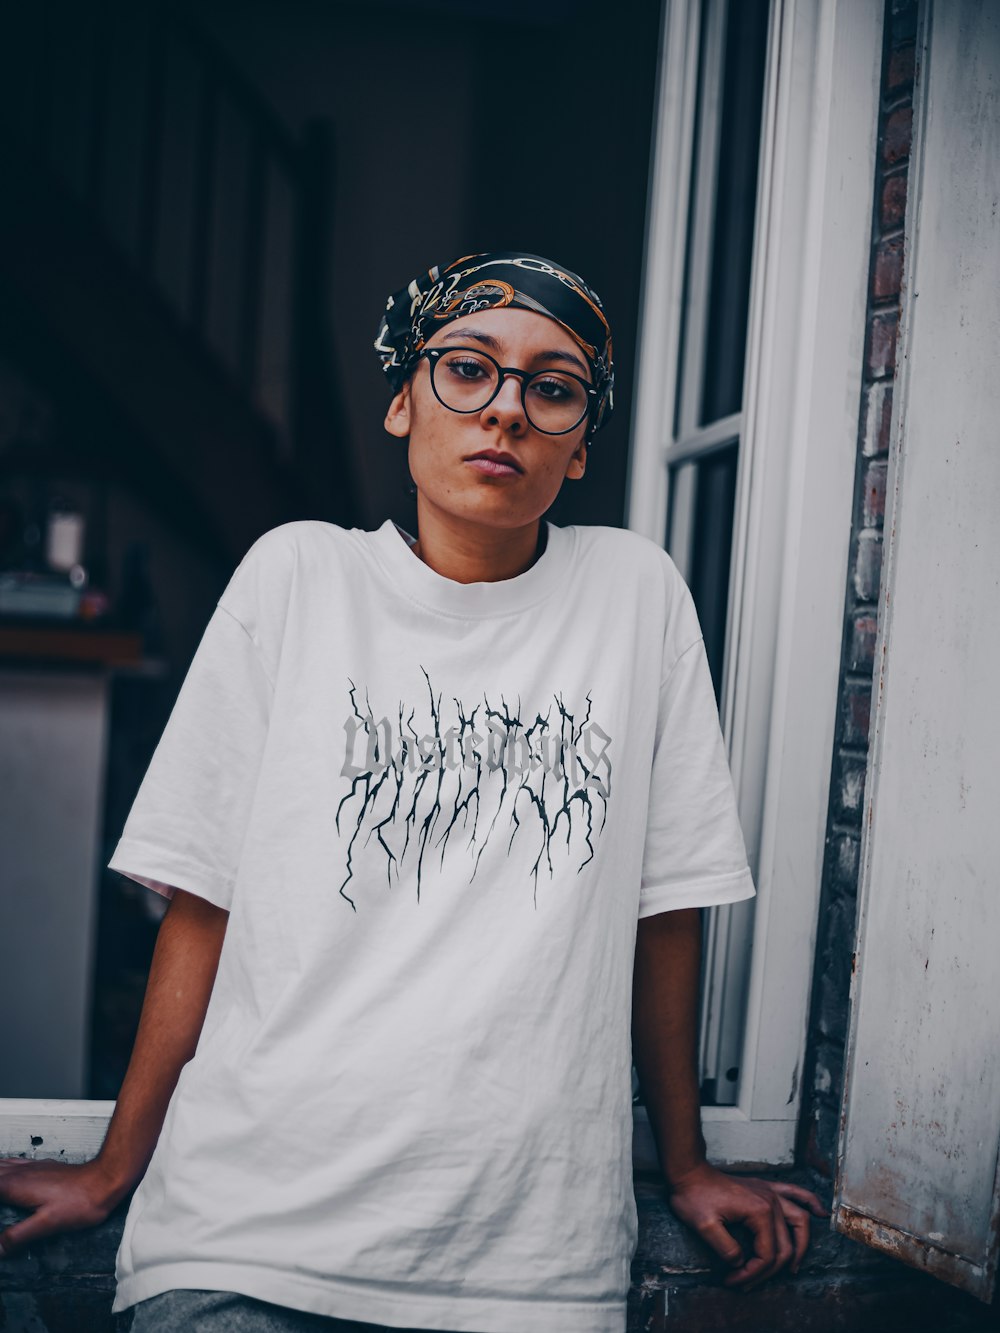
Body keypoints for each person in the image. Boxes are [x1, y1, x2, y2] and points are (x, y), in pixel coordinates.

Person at [0, 251, 825, 1332]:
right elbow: (205, 900)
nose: (507, 412)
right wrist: (112, 1168)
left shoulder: (635, 598)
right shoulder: (298, 578)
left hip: (528, 1266)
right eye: (467, 369)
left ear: (581, 446)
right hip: (249, 1239)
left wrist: (686, 1164)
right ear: (402, 400)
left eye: (553, 386)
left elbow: (665, 910)